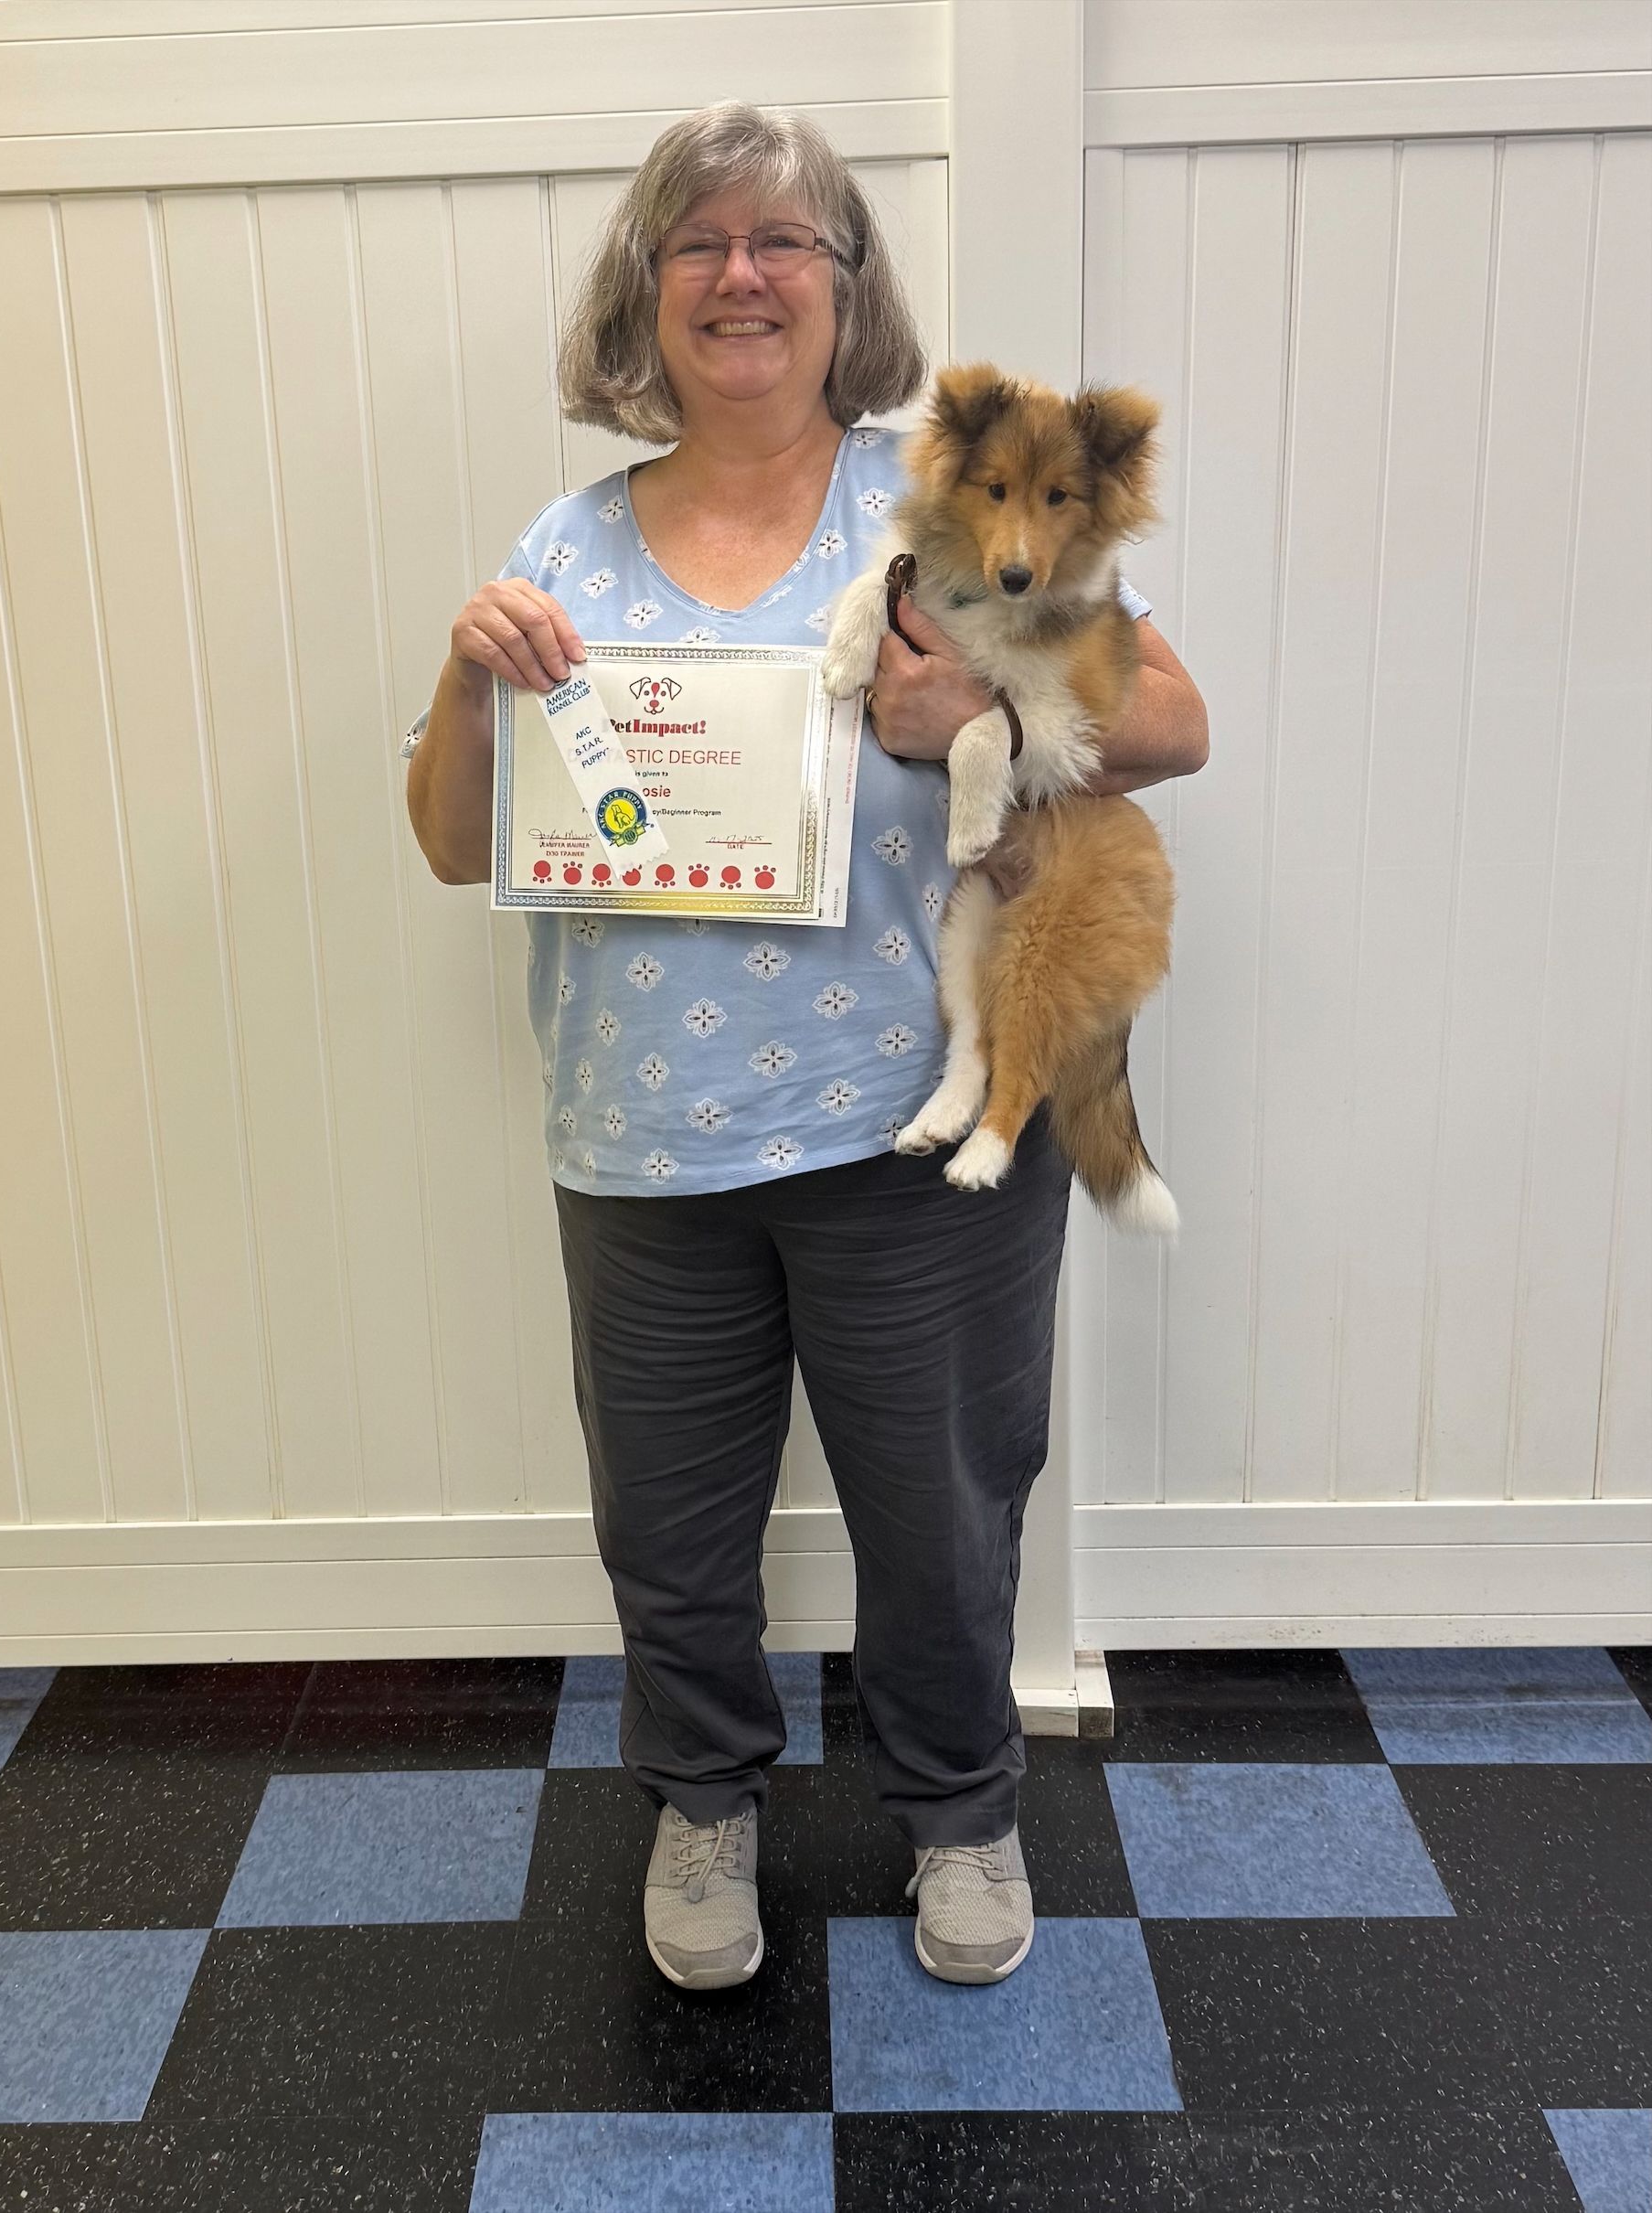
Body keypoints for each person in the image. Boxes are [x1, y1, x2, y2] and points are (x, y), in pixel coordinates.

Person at [402, 102, 1208, 1993]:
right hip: (642, 1134)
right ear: (646, 291)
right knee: (670, 1528)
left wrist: (960, 715)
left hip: (912, 1129)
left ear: (848, 292)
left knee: (940, 1511)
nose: (741, 275)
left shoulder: (945, 509)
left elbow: (1173, 719)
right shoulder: (563, 547)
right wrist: (463, 677)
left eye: (786, 242)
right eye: (698, 242)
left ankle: (963, 1811)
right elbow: (449, 839)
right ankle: (702, 1804)